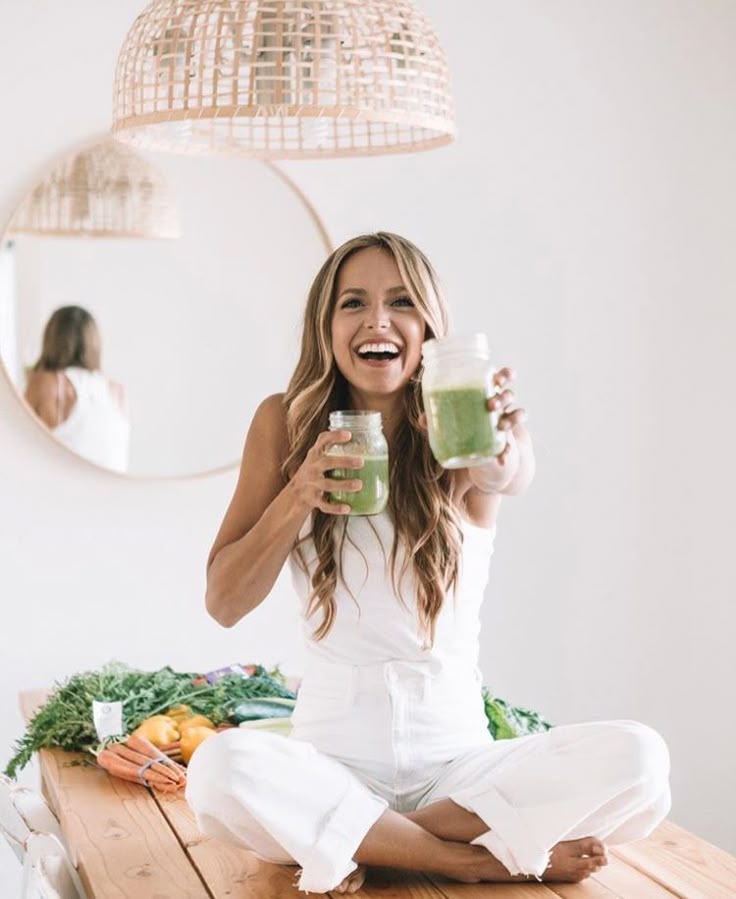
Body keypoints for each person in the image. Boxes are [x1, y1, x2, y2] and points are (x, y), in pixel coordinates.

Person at [186, 233, 671, 893]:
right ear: (327, 327)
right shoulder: (286, 421)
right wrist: (299, 491)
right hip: (332, 761)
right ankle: (467, 856)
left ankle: (370, 836)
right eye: (353, 302)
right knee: (220, 771)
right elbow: (224, 601)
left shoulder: (464, 426)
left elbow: (506, 470)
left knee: (643, 761)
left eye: (401, 302)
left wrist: (497, 447)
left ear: (428, 327)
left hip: (459, 767)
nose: (378, 320)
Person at [24, 305, 130, 473]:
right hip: (114, 496)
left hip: (64, 494)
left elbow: (19, 445)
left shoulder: (47, 384)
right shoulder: (117, 392)